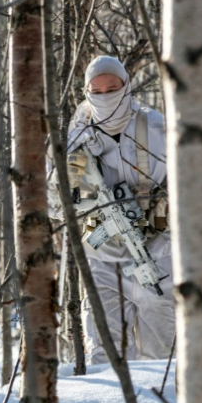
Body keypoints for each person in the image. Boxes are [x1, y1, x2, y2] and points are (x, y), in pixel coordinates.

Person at [49, 55, 175, 364]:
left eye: (112, 89)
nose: (106, 97)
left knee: (163, 356)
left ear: (126, 86)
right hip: (102, 259)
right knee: (106, 357)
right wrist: (74, 168)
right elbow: (53, 203)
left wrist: (157, 221)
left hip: (158, 257)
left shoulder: (158, 128)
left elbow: (191, 188)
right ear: (86, 92)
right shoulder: (74, 138)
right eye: (98, 91)